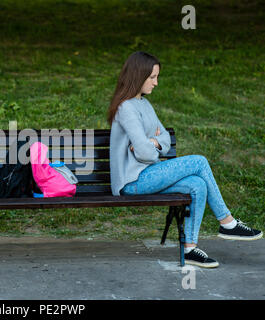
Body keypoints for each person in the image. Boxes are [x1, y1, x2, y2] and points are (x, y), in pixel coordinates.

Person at [108, 51, 262, 268]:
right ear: (138, 75)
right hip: (132, 182)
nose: (156, 83)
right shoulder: (126, 108)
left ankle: (189, 249)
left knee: (197, 184)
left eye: (157, 77)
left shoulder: (144, 104)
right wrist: (151, 145)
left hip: (149, 175)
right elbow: (142, 153)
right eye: (152, 77)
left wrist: (153, 142)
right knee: (199, 161)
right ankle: (227, 222)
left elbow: (165, 139)